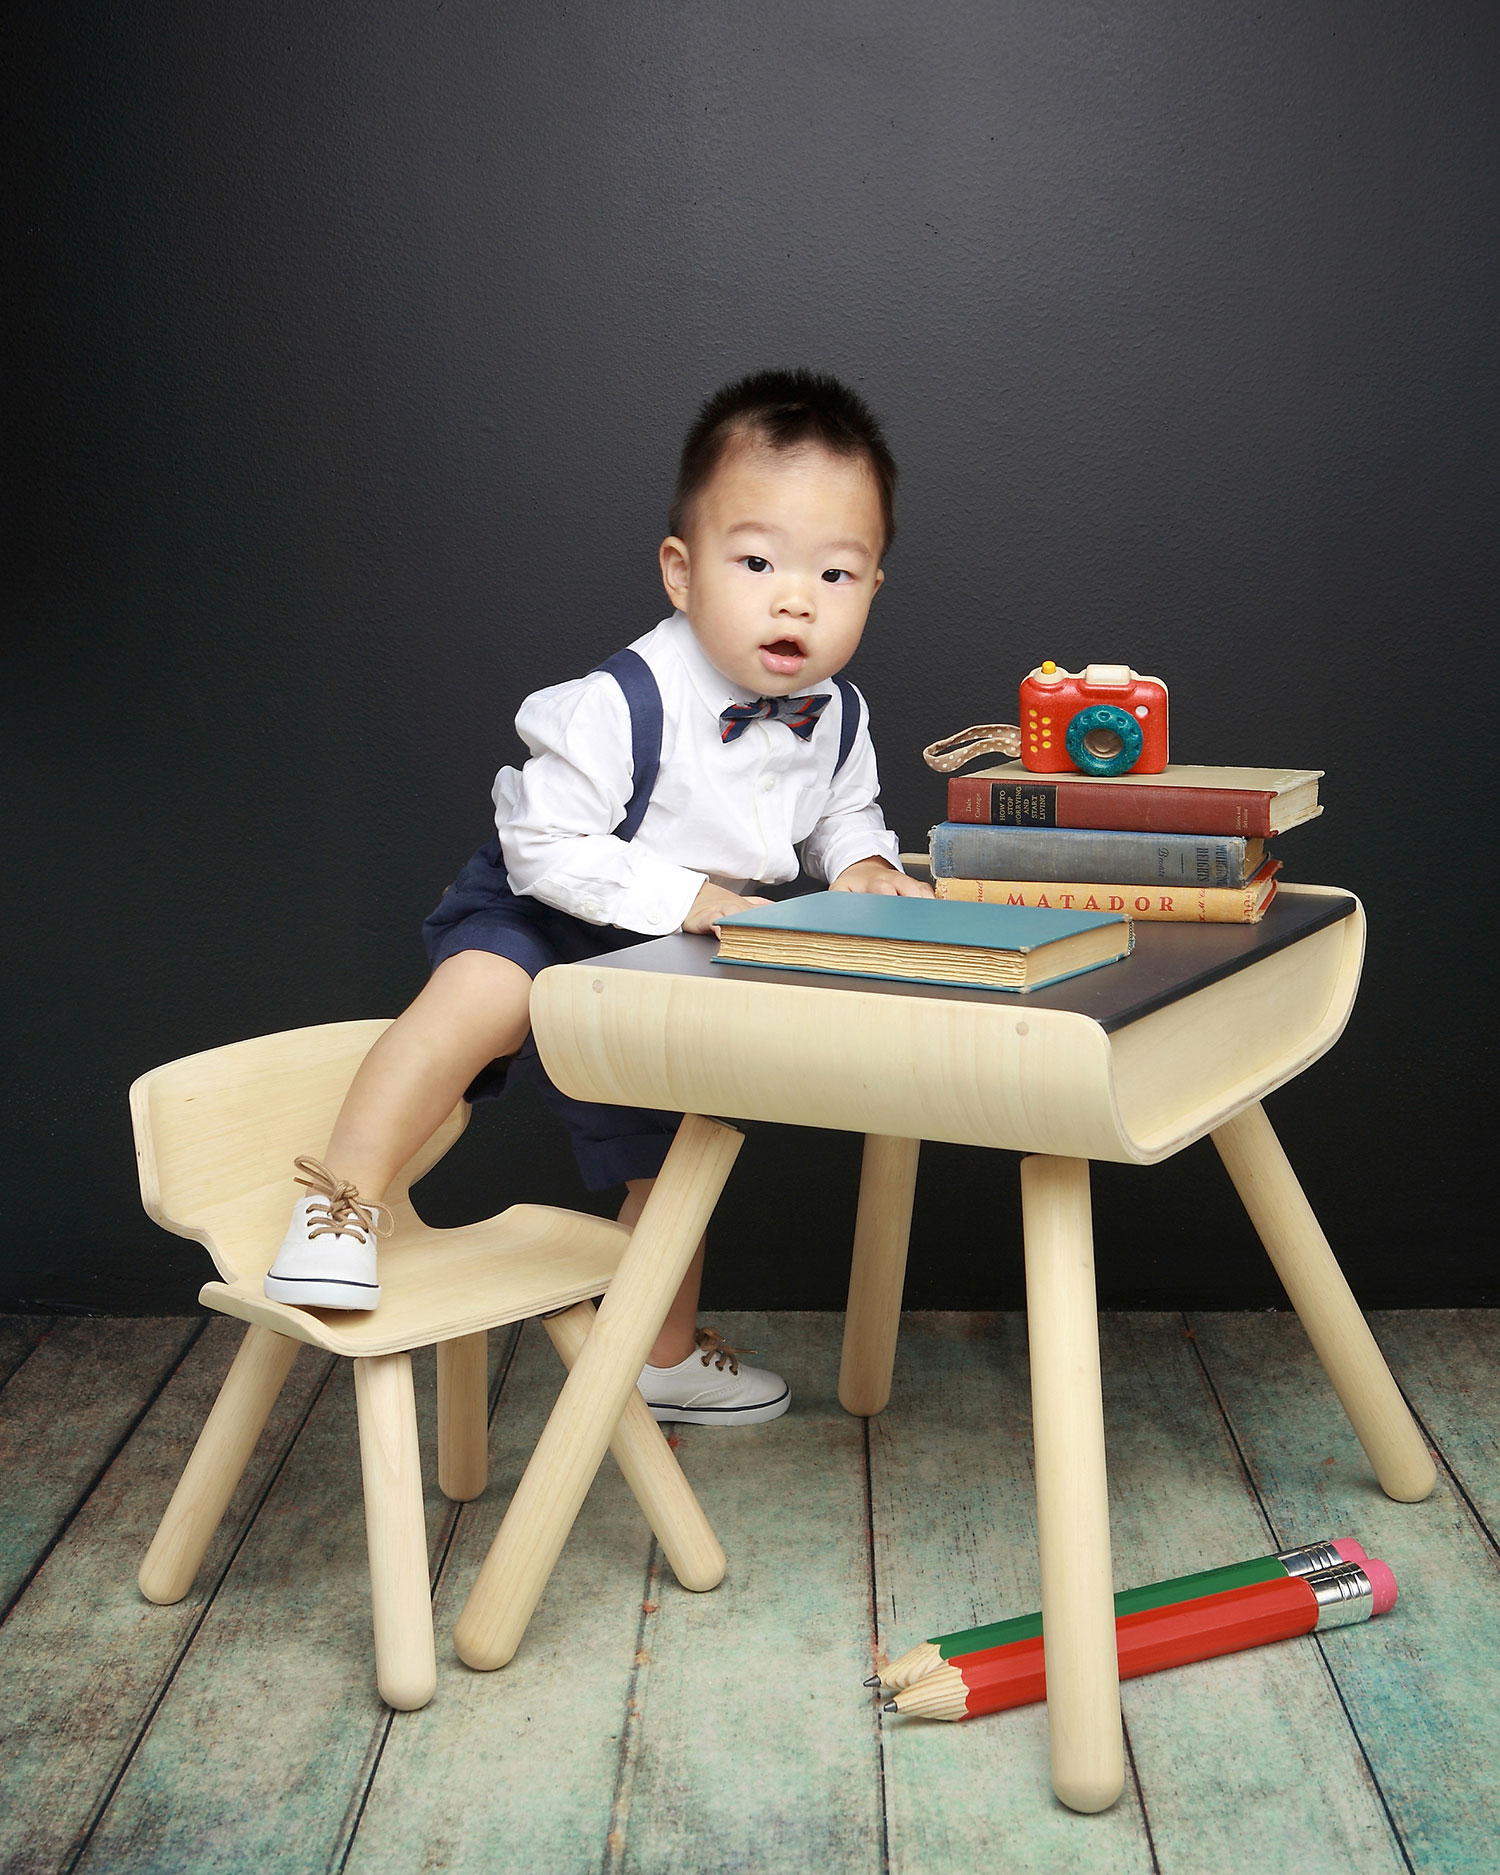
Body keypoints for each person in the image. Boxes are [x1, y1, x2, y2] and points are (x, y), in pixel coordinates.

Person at [264, 367, 931, 1423]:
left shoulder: (835, 714)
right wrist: (693, 897)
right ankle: (336, 1207)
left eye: (836, 574)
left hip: (664, 958)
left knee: (675, 1160)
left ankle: (656, 1354)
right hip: (551, 908)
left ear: (874, 589)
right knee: (473, 1004)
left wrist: (863, 866)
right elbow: (542, 847)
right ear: (681, 570)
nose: (794, 597)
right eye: (756, 561)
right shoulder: (618, 700)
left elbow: (843, 817)